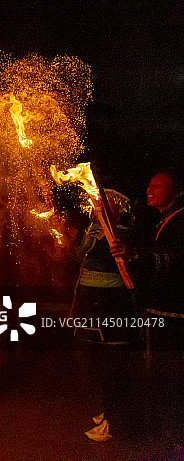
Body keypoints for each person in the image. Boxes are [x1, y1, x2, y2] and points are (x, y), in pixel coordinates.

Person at [111, 171, 184, 440]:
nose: (149, 189)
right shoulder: (163, 221)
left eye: (158, 185)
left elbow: (174, 260)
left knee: (171, 372)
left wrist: (136, 255)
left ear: (176, 192)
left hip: (173, 314)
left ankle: (171, 435)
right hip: (159, 310)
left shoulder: (181, 220)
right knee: (161, 373)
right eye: (149, 184)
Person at [70, 190, 140, 441]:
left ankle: (116, 421)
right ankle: (107, 411)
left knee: (114, 362)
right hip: (92, 304)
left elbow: (109, 255)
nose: (96, 202)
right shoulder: (95, 227)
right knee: (95, 361)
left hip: (111, 305)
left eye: (105, 201)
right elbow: (82, 252)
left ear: (119, 207)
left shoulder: (123, 230)